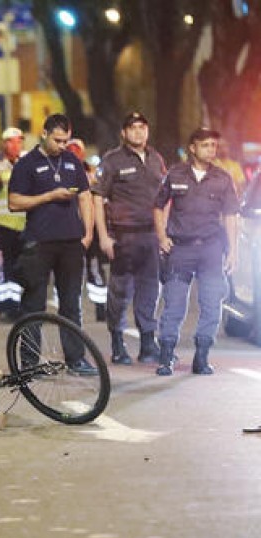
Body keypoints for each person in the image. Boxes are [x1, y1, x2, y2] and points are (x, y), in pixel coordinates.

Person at [8, 113, 96, 374]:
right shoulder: (27, 164)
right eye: (57, 140)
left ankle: (76, 359)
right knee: (33, 304)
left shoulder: (72, 160)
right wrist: (48, 196)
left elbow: (85, 197)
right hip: (39, 242)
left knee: (71, 304)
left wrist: (87, 233)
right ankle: (29, 363)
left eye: (66, 140)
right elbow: (14, 202)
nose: (62, 146)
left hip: (70, 243)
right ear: (44, 134)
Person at [153, 127, 239, 376]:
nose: (211, 150)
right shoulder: (175, 174)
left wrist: (233, 251)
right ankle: (166, 356)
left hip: (212, 249)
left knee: (212, 304)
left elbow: (231, 215)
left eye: (213, 145)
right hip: (181, 249)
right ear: (192, 148)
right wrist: (161, 236)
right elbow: (158, 205)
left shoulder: (223, 178)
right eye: (205, 145)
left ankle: (201, 357)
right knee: (174, 305)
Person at [92, 112, 166, 365]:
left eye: (142, 127)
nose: (138, 132)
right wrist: (103, 236)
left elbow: (164, 199)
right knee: (120, 292)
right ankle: (117, 343)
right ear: (123, 133)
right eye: (133, 128)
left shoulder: (156, 159)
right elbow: (97, 198)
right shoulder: (112, 160)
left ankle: (148, 344)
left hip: (150, 236)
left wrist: (164, 233)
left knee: (150, 291)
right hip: (123, 235)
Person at [0, 127, 26, 322]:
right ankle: (4, 306)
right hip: (0, 225)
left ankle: (15, 304)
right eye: (11, 141)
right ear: (4, 143)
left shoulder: (26, 163)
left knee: (20, 267)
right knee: (2, 266)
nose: (16, 145)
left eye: (19, 140)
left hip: (23, 225)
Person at [67, 138, 107, 323]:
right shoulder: (61, 171)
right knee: (67, 269)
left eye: (77, 150)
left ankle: (101, 307)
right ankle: (66, 307)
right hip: (69, 228)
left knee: (94, 266)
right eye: (71, 149)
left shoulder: (91, 173)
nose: (74, 153)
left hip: (89, 227)